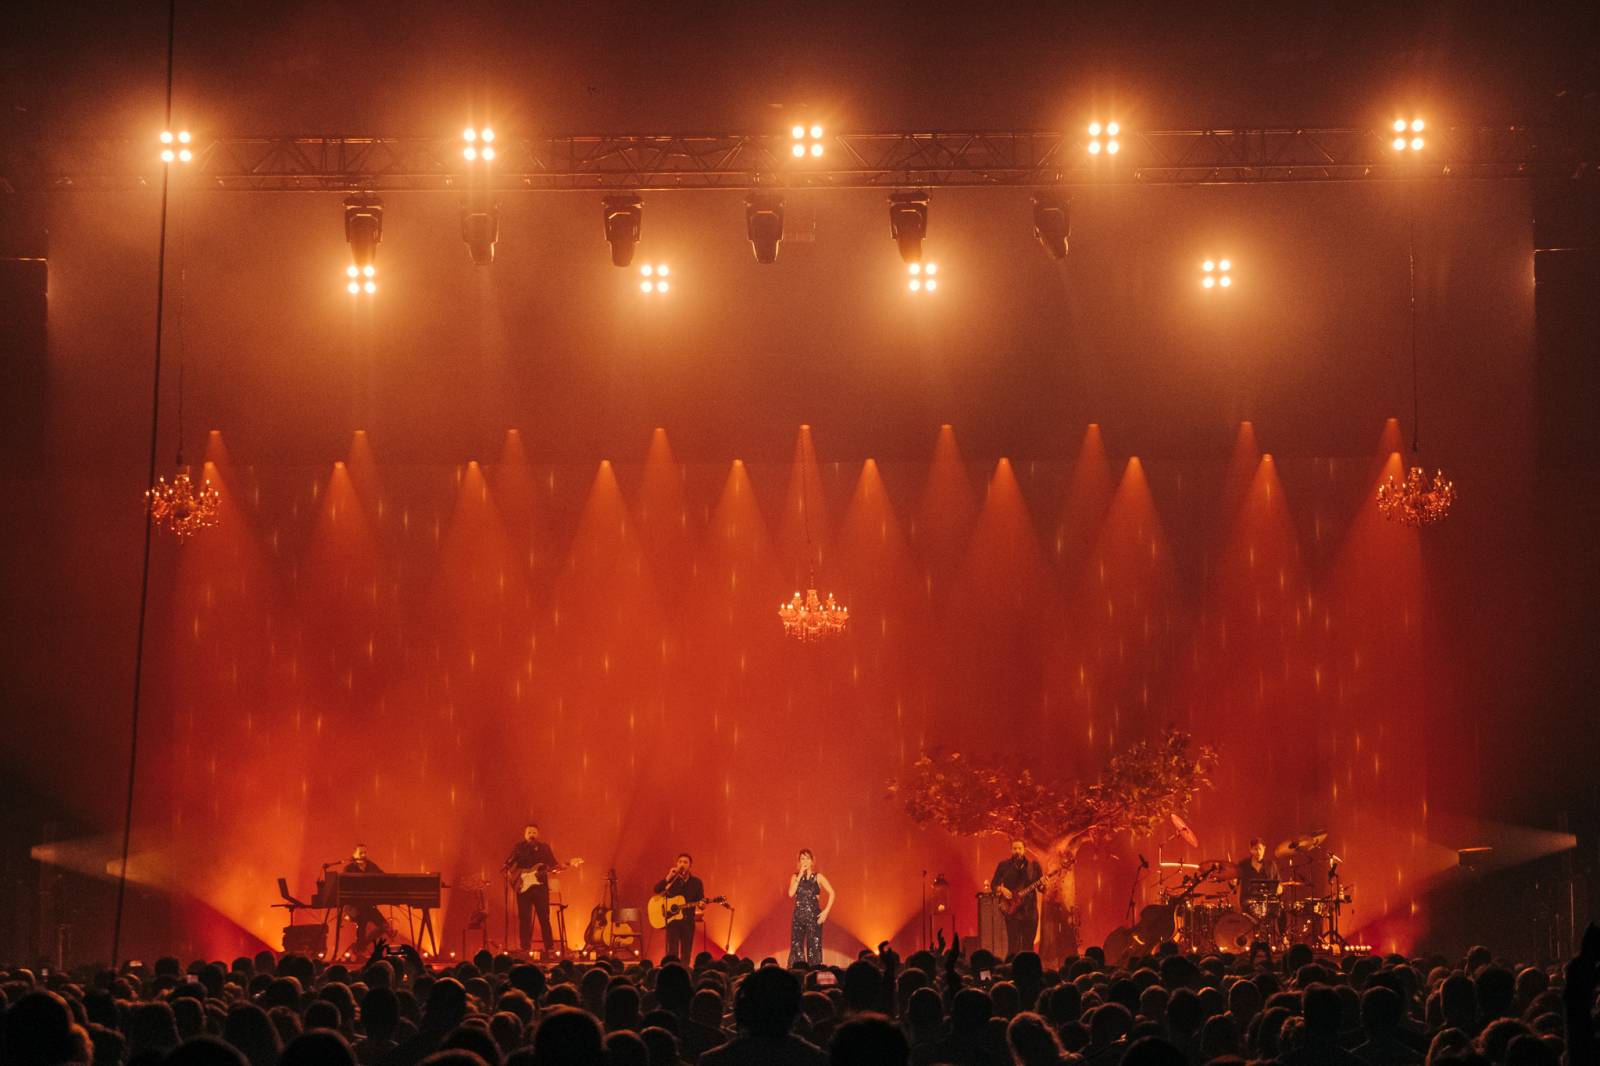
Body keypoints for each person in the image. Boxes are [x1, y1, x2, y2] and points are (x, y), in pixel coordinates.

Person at [504, 824, 562, 955]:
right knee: (524, 918)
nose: (532, 834)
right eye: (529, 832)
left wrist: (557, 869)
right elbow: (509, 864)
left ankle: (549, 947)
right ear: (525, 834)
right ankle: (525, 947)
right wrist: (513, 876)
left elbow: (553, 864)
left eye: (534, 832)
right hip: (523, 888)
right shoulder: (519, 847)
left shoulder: (544, 848)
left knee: (544, 918)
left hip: (540, 888)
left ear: (538, 834)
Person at [991, 839, 1043, 958]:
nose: (1017, 851)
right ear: (1011, 850)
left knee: (1028, 946)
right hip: (1012, 911)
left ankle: (1029, 971)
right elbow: (994, 884)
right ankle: (1012, 971)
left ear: (1024, 850)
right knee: (1013, 946)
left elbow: (1041, 888)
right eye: (1015, 848)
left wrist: (1044, 883)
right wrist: (1002, 889)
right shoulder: (1003, 865)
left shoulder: (1034, 867)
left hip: (1030, 912)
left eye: (1019, 848)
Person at [787, 849, 836, 968]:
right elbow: (791, 893)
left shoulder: (818, 877)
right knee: (797, 945)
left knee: (814, 946)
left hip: (814, 916)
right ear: (799, 861)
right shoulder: (795, 877)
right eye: (802, 858)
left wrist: (826, 912)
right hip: (798, 916)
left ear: (812, 861)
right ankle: (798, 973)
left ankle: (814, 974)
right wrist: (800, 874)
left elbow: (832, 893)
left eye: (807, 858)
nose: (805, 861)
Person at [653, 853, 705, 963]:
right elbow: (657, 889)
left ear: (690, 865)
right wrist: (668, 877)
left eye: (685, 862)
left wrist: (702, 904)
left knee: (686, 952)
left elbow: (701, 899)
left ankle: (684, 973)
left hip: (688, 921)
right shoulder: (672, 880)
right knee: (672, 951)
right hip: (673, 921)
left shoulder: (696, 882)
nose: (682, 864)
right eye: (680, 862)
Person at [342, 845, 388, 952]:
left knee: (384, 926)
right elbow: (344, 886)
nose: (363, 855)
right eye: (361, 853)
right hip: (356, 905)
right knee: (361, 926)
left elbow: (384, 877)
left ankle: (361, 945)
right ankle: (360, 948)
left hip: (369, 904)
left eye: (365, 852)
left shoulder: (371, 866)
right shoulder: (349, 868)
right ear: (355, 854)